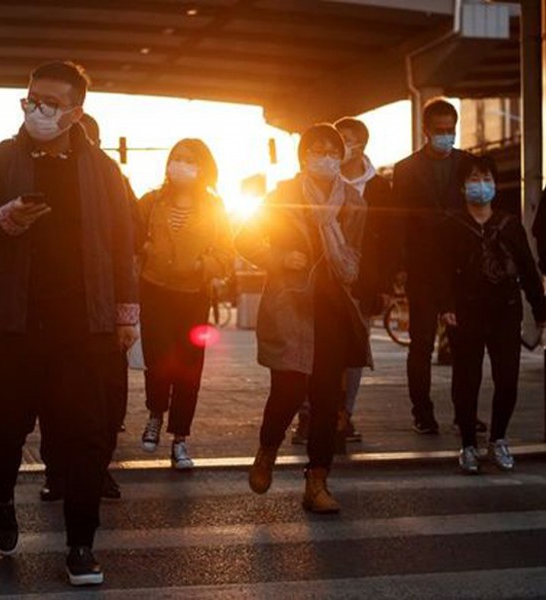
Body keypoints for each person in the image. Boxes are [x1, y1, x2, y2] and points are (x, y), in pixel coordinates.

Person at [0, 60, 138, 587]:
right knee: (5, 429)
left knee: (85, 436)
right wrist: (4, 217)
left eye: (50, 103)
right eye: (31, 99)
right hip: (14, 323)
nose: (37, 109)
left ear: (76, 112)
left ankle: (81, 544)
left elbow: (123, 243)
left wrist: (127, 314)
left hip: (85, 328)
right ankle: (1, 497)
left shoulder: (103, 171)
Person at [237, 123, 368, 514]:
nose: (326, 157)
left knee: (329, 401)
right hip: (291, 307)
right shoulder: (282, 197)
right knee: (288, 393)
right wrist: (279, 258)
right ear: (304, 156)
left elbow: (359, 253)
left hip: (334, 309)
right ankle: (267, 450)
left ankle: (317, 483)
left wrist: (352, 268)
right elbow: (244, 239)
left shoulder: (354, 202)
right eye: (318, 150)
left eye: (333, 150)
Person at [38, 112, 134, 502]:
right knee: (53, 399)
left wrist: (126, 313)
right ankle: (57, 472)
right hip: (53, 308)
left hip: (104, 310)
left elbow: (131, 239)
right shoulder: (41, 175)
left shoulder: (111, 177)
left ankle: (98, 469)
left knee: (109, 400)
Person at [438, 156, 546, 474]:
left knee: (508, 380)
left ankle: (498, 439)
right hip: (466, 313)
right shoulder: (451, 225)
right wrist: (446, 307)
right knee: (467, 380)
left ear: (495, 184)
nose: (480, 184)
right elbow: (440, 272)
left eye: (486, 178)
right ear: (462, 185)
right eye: (473, 178)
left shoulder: (509, 224)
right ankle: (468, 444)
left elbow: (527, 269)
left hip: (505, 312)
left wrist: (540, 311)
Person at [290, 118, 394, 446]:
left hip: (357, 282)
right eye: (334, 142)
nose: (334, 152)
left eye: (344, 143)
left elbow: (384, 239)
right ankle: (309, 414)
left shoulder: (374, 189)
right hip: (311, 284)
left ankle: (342, 416)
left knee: (350, 355)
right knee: (310, 352)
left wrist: (383, 283)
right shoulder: (300, 189)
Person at [137, 138, 234, 469]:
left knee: (189, 368)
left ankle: (180, 438)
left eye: (189, 159)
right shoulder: (150, 201)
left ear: (202, 167)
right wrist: (145, 253)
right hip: (154, 290)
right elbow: (130, 240)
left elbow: (225, 254)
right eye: (175, 157)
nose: (180, 164)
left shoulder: (214, 208)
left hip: (193, 296)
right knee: (159, 359)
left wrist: (201, 267)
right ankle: (155, 415)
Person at [392, 98, 474, 435]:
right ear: (425, 131)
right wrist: (399, 267)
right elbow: (399, 222)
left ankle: (465, 413)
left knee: (466, 345)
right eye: (439, 131)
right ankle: (422, 412)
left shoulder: (469, 163)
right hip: (423, 267)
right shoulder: (406, 169)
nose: (446, 136)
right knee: (421, 344)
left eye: (450, 130)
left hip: (461, 267)